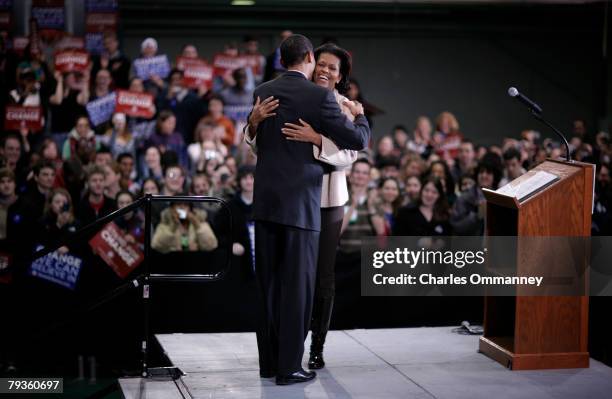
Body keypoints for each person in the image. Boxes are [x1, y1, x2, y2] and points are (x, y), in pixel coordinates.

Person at [245, 34, 369, 385]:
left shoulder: (269, 90)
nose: (327, 70)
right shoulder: (316, 98)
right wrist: (252, 123)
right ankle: (286, 365)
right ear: (311, 61)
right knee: (296, 285)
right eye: (323, 64)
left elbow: (348, 156)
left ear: (341, 74)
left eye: (334, 68)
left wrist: (317, 141)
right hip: (300, 205)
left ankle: (296, 355)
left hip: (314, 201)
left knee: (308, 281)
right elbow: (358, 140)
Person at [151, 201, 218, 253]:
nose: (182, 207)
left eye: (185, 205)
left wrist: (196, 223)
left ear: (190, 208)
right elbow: (157, 246)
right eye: (178, 205)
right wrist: (173, 226)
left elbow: (211, 246)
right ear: (172, 208)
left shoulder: (200, 222)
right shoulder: (165, 224)